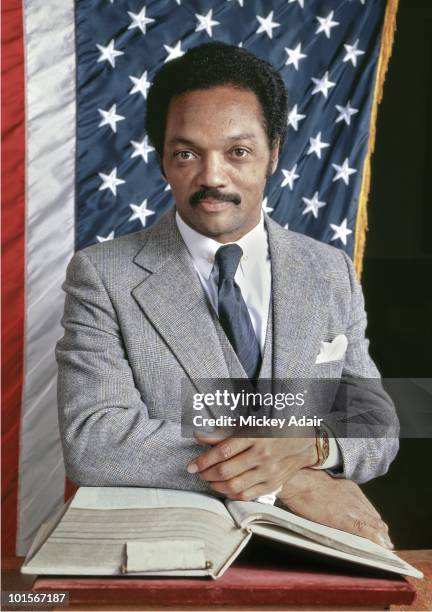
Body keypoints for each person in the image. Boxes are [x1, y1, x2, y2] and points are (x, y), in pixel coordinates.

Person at [56, 42, 397, 549]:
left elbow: (375, 422)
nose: (212, 177)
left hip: (318, 552)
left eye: (237, 152)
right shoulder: (101, 274)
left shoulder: (330, 271)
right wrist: (285, 476)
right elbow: (96, 439)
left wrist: (310, 446)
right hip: (168, 559)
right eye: (187, 153)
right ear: (163, 162)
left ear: (273, 154)